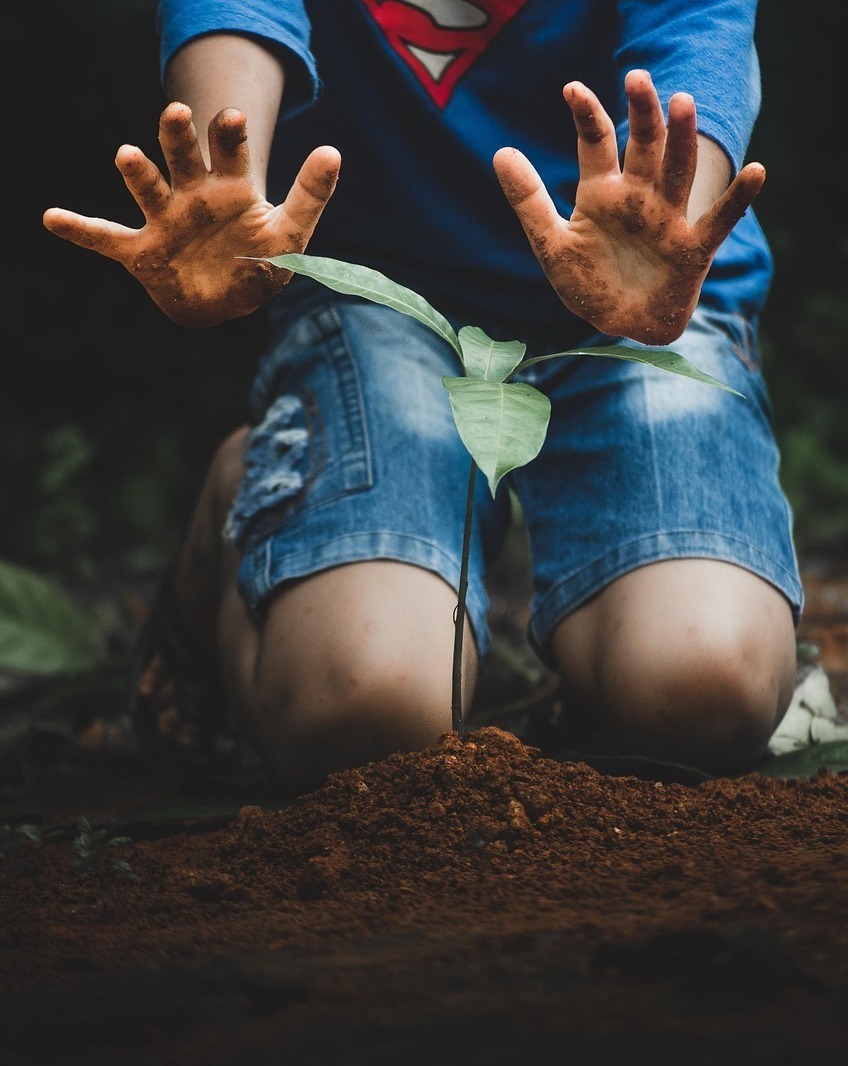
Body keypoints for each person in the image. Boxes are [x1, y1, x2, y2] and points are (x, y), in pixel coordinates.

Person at [43, 1, 802, 790]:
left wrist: (672, 221)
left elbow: (695, 30)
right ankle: (244, 497)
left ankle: (601, 680)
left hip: (642, 287)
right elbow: (240, 13)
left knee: (706, 690)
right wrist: (227, 181)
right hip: (382, 289)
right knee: (369, 711)